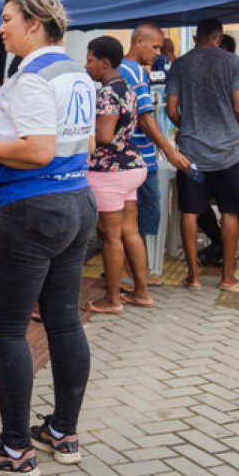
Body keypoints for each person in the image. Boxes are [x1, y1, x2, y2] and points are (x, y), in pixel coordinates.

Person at [0, 0, 96, 476]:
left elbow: (37, 148)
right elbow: (76, 147)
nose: (0, 29)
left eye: (7, 19)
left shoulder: (32, 75)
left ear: (33, 24)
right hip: (76, 202)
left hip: (32, 208)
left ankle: (15, 449)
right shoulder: (76, 72)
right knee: (63, 322)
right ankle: (64, 431)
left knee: (7, 329)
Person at [165, 18, 239, 291]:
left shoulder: (180, 64)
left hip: (192, 151)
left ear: (195, 37)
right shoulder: (233, 63)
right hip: (228, 148)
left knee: (190, 211)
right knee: (230, 210)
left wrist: (188, 127)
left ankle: (193, 277)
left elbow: (171, 111)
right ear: (219, 38)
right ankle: (227, 277)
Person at [83, 36, 153, 313]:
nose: (87, 66)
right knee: (130, 232)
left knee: (111, 236)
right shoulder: (128, 88)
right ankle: (142, 293)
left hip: (109, 171)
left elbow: (103, 136)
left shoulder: (107, 93)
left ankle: (112, 300)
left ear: (105, 62)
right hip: (132, 167)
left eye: (90, 60)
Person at [119, 24, 191, 271]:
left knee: (131, 220)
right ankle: (134, 276)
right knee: (142, 219)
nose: (159, 53)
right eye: (155, 46)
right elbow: (145, 118)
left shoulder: (123, 70)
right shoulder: (136, 74)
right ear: (138, 42)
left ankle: (130, 274)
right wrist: (170, 151)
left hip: (130, 158)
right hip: (139, 159)